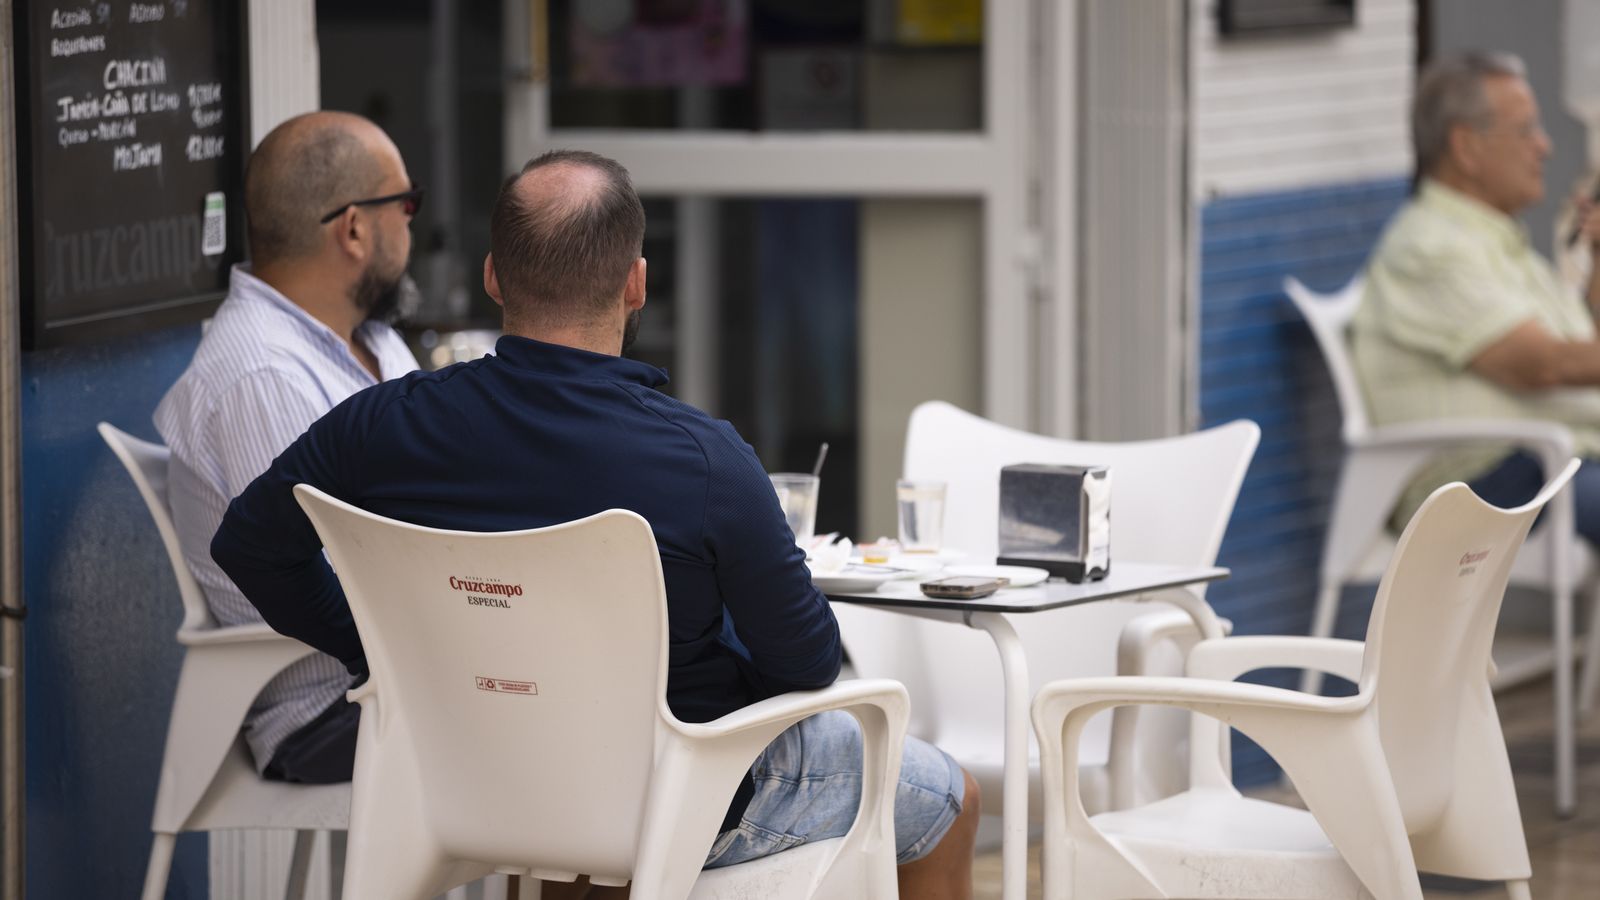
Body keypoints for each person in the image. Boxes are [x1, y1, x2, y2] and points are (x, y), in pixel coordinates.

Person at [211, 150, 981, 899]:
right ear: (636, 283)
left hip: (475, 779)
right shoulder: (705, 461)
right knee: (950, 800)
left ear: (491, 275)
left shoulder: (381, 427)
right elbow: (806, 664)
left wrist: (380, 647)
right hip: (675, 794)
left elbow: (250, 544)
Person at [154, 111, 421, 784]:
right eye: (406, 205)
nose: (413, 225)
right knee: (573, 720)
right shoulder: (261, 374)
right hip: (332, 706)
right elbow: (340, 583)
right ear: (354, 228)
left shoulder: (373, 339)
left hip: (404, 683)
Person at [1353, 51, 1600, 533]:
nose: (1545, 147)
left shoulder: (1494, 237)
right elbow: (1545, 366)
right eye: (1526, 130)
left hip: (1558, 460)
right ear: (1466, 147)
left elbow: (1585, 349)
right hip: (1484, 484)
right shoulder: (1431, 247)